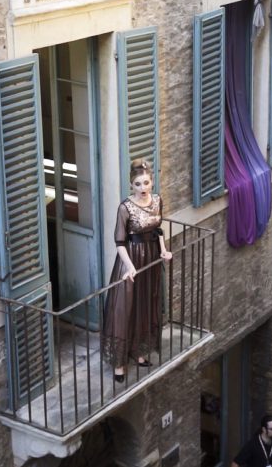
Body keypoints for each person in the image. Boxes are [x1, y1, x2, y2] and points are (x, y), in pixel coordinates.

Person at [103, 159, 173, 382]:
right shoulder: (125, 207)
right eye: (137, 184)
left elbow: (157, 230)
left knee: (146, 302)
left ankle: (141, 352)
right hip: (131, 260)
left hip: (151, 258)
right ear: (131, 186)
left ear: (151, 182)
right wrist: (130, 266)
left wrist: (163, 251)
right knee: (125, 307)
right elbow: (120, 242)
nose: (143, 188)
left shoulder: (157, 200)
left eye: (146, 183)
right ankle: (120, 363)